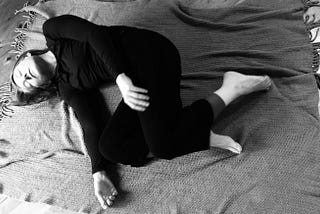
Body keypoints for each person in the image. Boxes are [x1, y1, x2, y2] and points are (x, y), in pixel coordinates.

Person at [9, 14, 272, 209]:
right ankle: (196, 130)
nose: (27, 78)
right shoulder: (69, 87)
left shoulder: (53, 31)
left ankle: (230, 90)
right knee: (110, 148)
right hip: (137, 83)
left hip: (151, 53)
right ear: (43, 87)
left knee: (163, 146)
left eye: (20, 73)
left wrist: (120, 77)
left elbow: (94, 34)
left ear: (24, 57)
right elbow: (91, 123)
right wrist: (97, 171)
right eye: (28, 84)